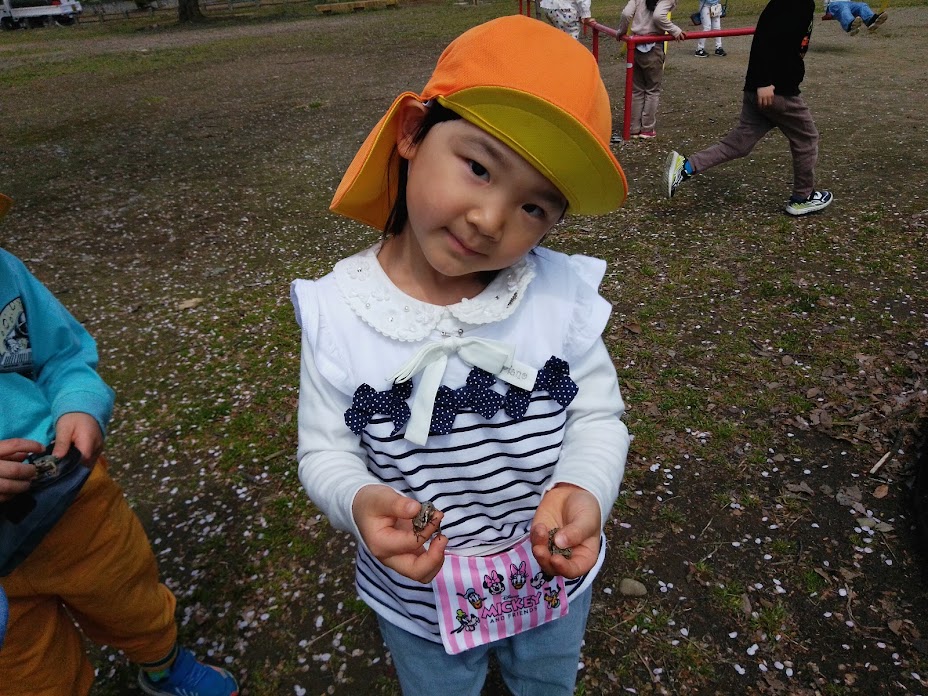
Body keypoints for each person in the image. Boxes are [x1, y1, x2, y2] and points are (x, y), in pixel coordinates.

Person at [291, 15, 630, 696]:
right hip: (420, 590)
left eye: (535, 208)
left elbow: (598, 416)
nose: (490, 219)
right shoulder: (339, 314)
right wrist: (357, 499)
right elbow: (324, 450)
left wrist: (583, 488)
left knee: (546, 679)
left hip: (549, 569)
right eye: (478, 168)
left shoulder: (558, 298)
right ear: (413, 132)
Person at [0, 195, 239, 696]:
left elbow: (62, 355)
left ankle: (163, 664)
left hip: (66, 490)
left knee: (128, 591)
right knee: (26, 672)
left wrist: (78, 404)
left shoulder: (6, 273)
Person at [664, 0, 834, 216]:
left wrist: (758, 83)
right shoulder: (796, 3)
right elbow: (767, 39)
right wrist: (764, 82)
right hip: (777, 91)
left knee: (740, 144)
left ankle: (685, 167)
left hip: (759, 90)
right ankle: (803, 197)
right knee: (806, 138)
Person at [613, 0, 687, 140]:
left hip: (635, 45)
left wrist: (622, 31)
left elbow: (626, 14)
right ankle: (647, 128)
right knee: (652, 90)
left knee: (637, 89)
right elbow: (659, 16)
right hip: (653, 47)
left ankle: (633, 127)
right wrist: (675, 30)